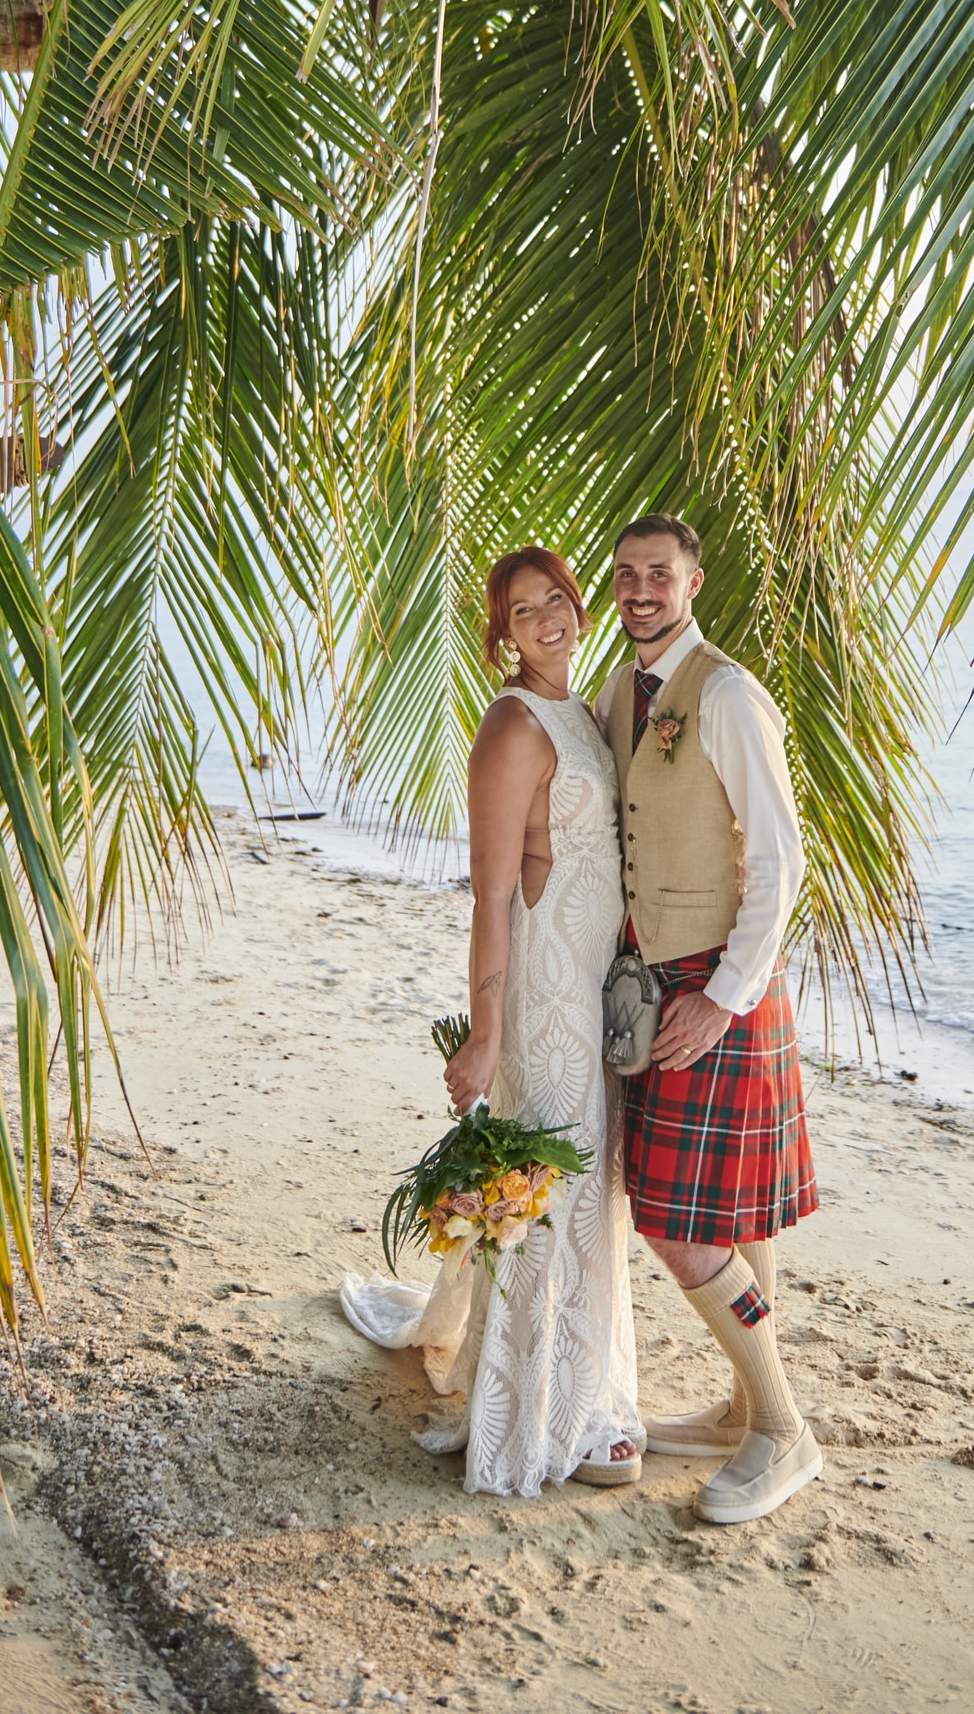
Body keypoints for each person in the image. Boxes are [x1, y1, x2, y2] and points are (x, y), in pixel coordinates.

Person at [341, 547, 642, 1496]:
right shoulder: (511, 726)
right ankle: (540, 1409)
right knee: (557, 1190)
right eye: (523, 610)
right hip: (546, 983)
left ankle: (582, 1383)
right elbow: (490, 896)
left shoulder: (586, 708)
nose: (546, 617)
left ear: (577, 604)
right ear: (499, 634)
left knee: (591, 1184)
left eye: (556, 598)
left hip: (595, 979)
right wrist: (484, 1031)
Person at [593, 513, 820, 1526]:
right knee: (728, 1211)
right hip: (657, 974)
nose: (642, 590)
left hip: (714, 987)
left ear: (694, 580)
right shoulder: (621, 688)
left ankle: (781, 1424)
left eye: (660, 575)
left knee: (678, 1226)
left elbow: (781, 863)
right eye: (627, 574)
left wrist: (723, 998)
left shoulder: (726, 693)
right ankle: (736, 1410)